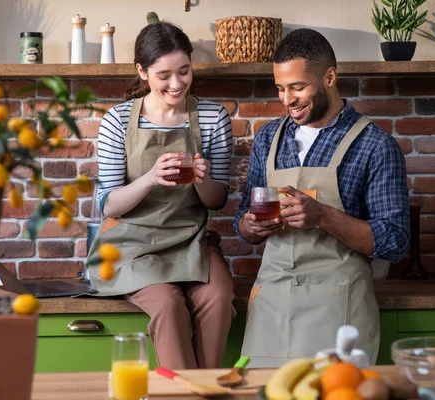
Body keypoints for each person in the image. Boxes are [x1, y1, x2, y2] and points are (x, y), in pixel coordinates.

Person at [234, 28, 410, 367]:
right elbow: (243, 224)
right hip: (272, 306)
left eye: (298, 87)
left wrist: (323, 216)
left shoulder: (374, 145)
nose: (287, 99)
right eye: (281, 88)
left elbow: (395, 241)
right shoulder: (268, 138)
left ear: (330, 76)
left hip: (338, 309)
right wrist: (252, 225)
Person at [87, 21, 236, 369]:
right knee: (168, 305)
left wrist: (202, 179)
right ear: (142, 71)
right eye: (163, 74)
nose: (176, 83)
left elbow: (217, 200)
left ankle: (207, 387)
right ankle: (185, 393)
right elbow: (108, 204)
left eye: (184, 71)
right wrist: (150, 178)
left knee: (219, 296)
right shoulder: (117, 121)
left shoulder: (213, 117)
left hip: (192, 239)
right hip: (130, 244)